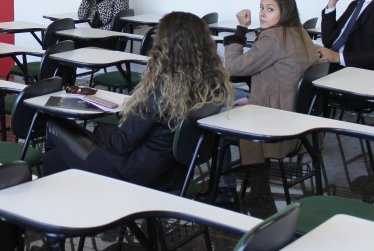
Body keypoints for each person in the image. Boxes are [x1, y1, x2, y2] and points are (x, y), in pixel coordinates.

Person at [42, 12, 233, 191]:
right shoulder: (210, 85)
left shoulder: (164, 89)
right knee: (56, 157)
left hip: (133, 173)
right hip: (173, 174)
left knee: (54, 125)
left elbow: (121, 143)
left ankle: (57, 201)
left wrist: (100, 129)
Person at [219, 0, 320, 203]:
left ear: (285, 12)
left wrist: (241, 29)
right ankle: (253, 179)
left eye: (270, 9)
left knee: (212, 108)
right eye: (261, 7)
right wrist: (253, 99)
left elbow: (232, 68)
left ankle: (223, 188)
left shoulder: (273, 37)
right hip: (294, 117)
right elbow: (284, 81)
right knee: (230, 95)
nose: (263, 13)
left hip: (272, 121)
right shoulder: (300, 33)